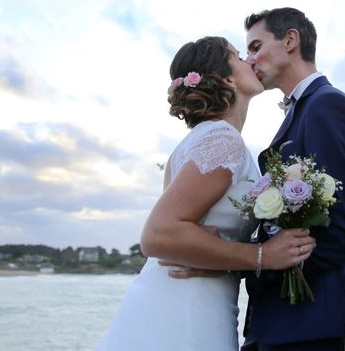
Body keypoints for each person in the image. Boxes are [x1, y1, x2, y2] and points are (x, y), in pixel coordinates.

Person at [96, 36, 317, 351]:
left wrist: (222, 254)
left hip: (186, 300)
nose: (251, 61)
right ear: (227, 79)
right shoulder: (223, 140)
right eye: (240, 57)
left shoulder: (200, 140)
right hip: (184, 312)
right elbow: (159, 235)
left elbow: (187, 236)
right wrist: (263, 256)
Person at [242, 7, 345, 350]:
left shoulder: (327, 105)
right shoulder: (304, 110)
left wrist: (263, 266)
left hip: (310, 323)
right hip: (283, 321)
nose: (249, 58)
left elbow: (342, 229)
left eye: (256, 47)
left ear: (290, 40)